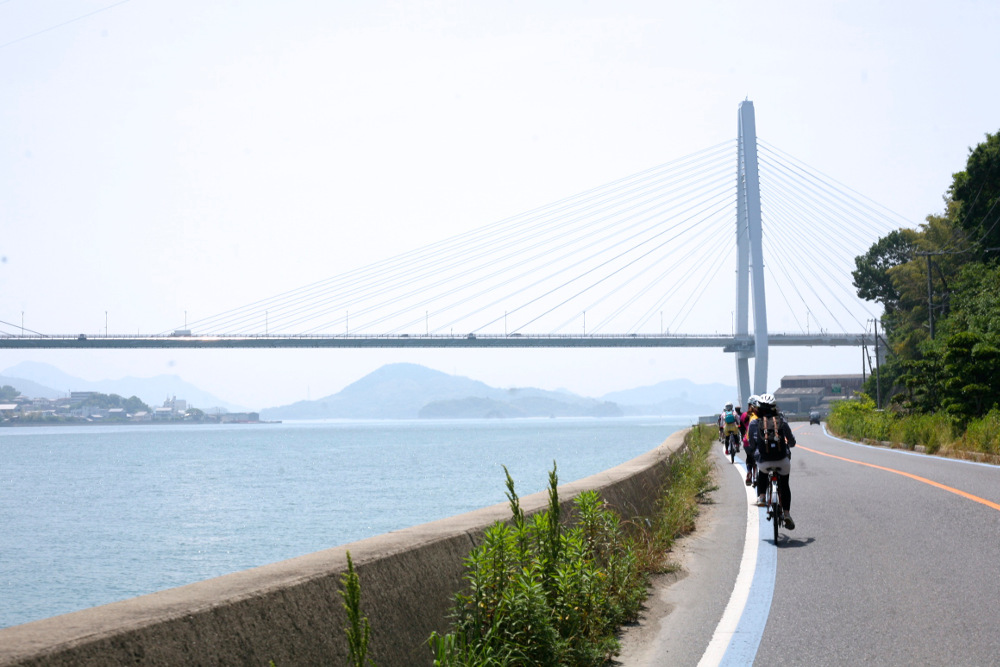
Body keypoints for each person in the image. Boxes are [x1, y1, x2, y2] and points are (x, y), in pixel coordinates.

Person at [749, 393, 797, 529]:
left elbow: (751, 444)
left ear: (758, 408)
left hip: (764, 461)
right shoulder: (781, 420)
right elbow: (792, 441)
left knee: (762, 471)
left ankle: (762, 496)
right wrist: (790, 444)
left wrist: (754, 451)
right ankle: (787, 514)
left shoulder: (754, 423)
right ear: (775, 407)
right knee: (785, 484)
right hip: (782, 461)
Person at [742, 396, 758, 486]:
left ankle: (749, 471)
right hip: (757, 440)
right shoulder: (758, 415)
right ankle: (757, 474)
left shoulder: (744, 415)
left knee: (749, 456)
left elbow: (743, 427)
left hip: (746, 441)